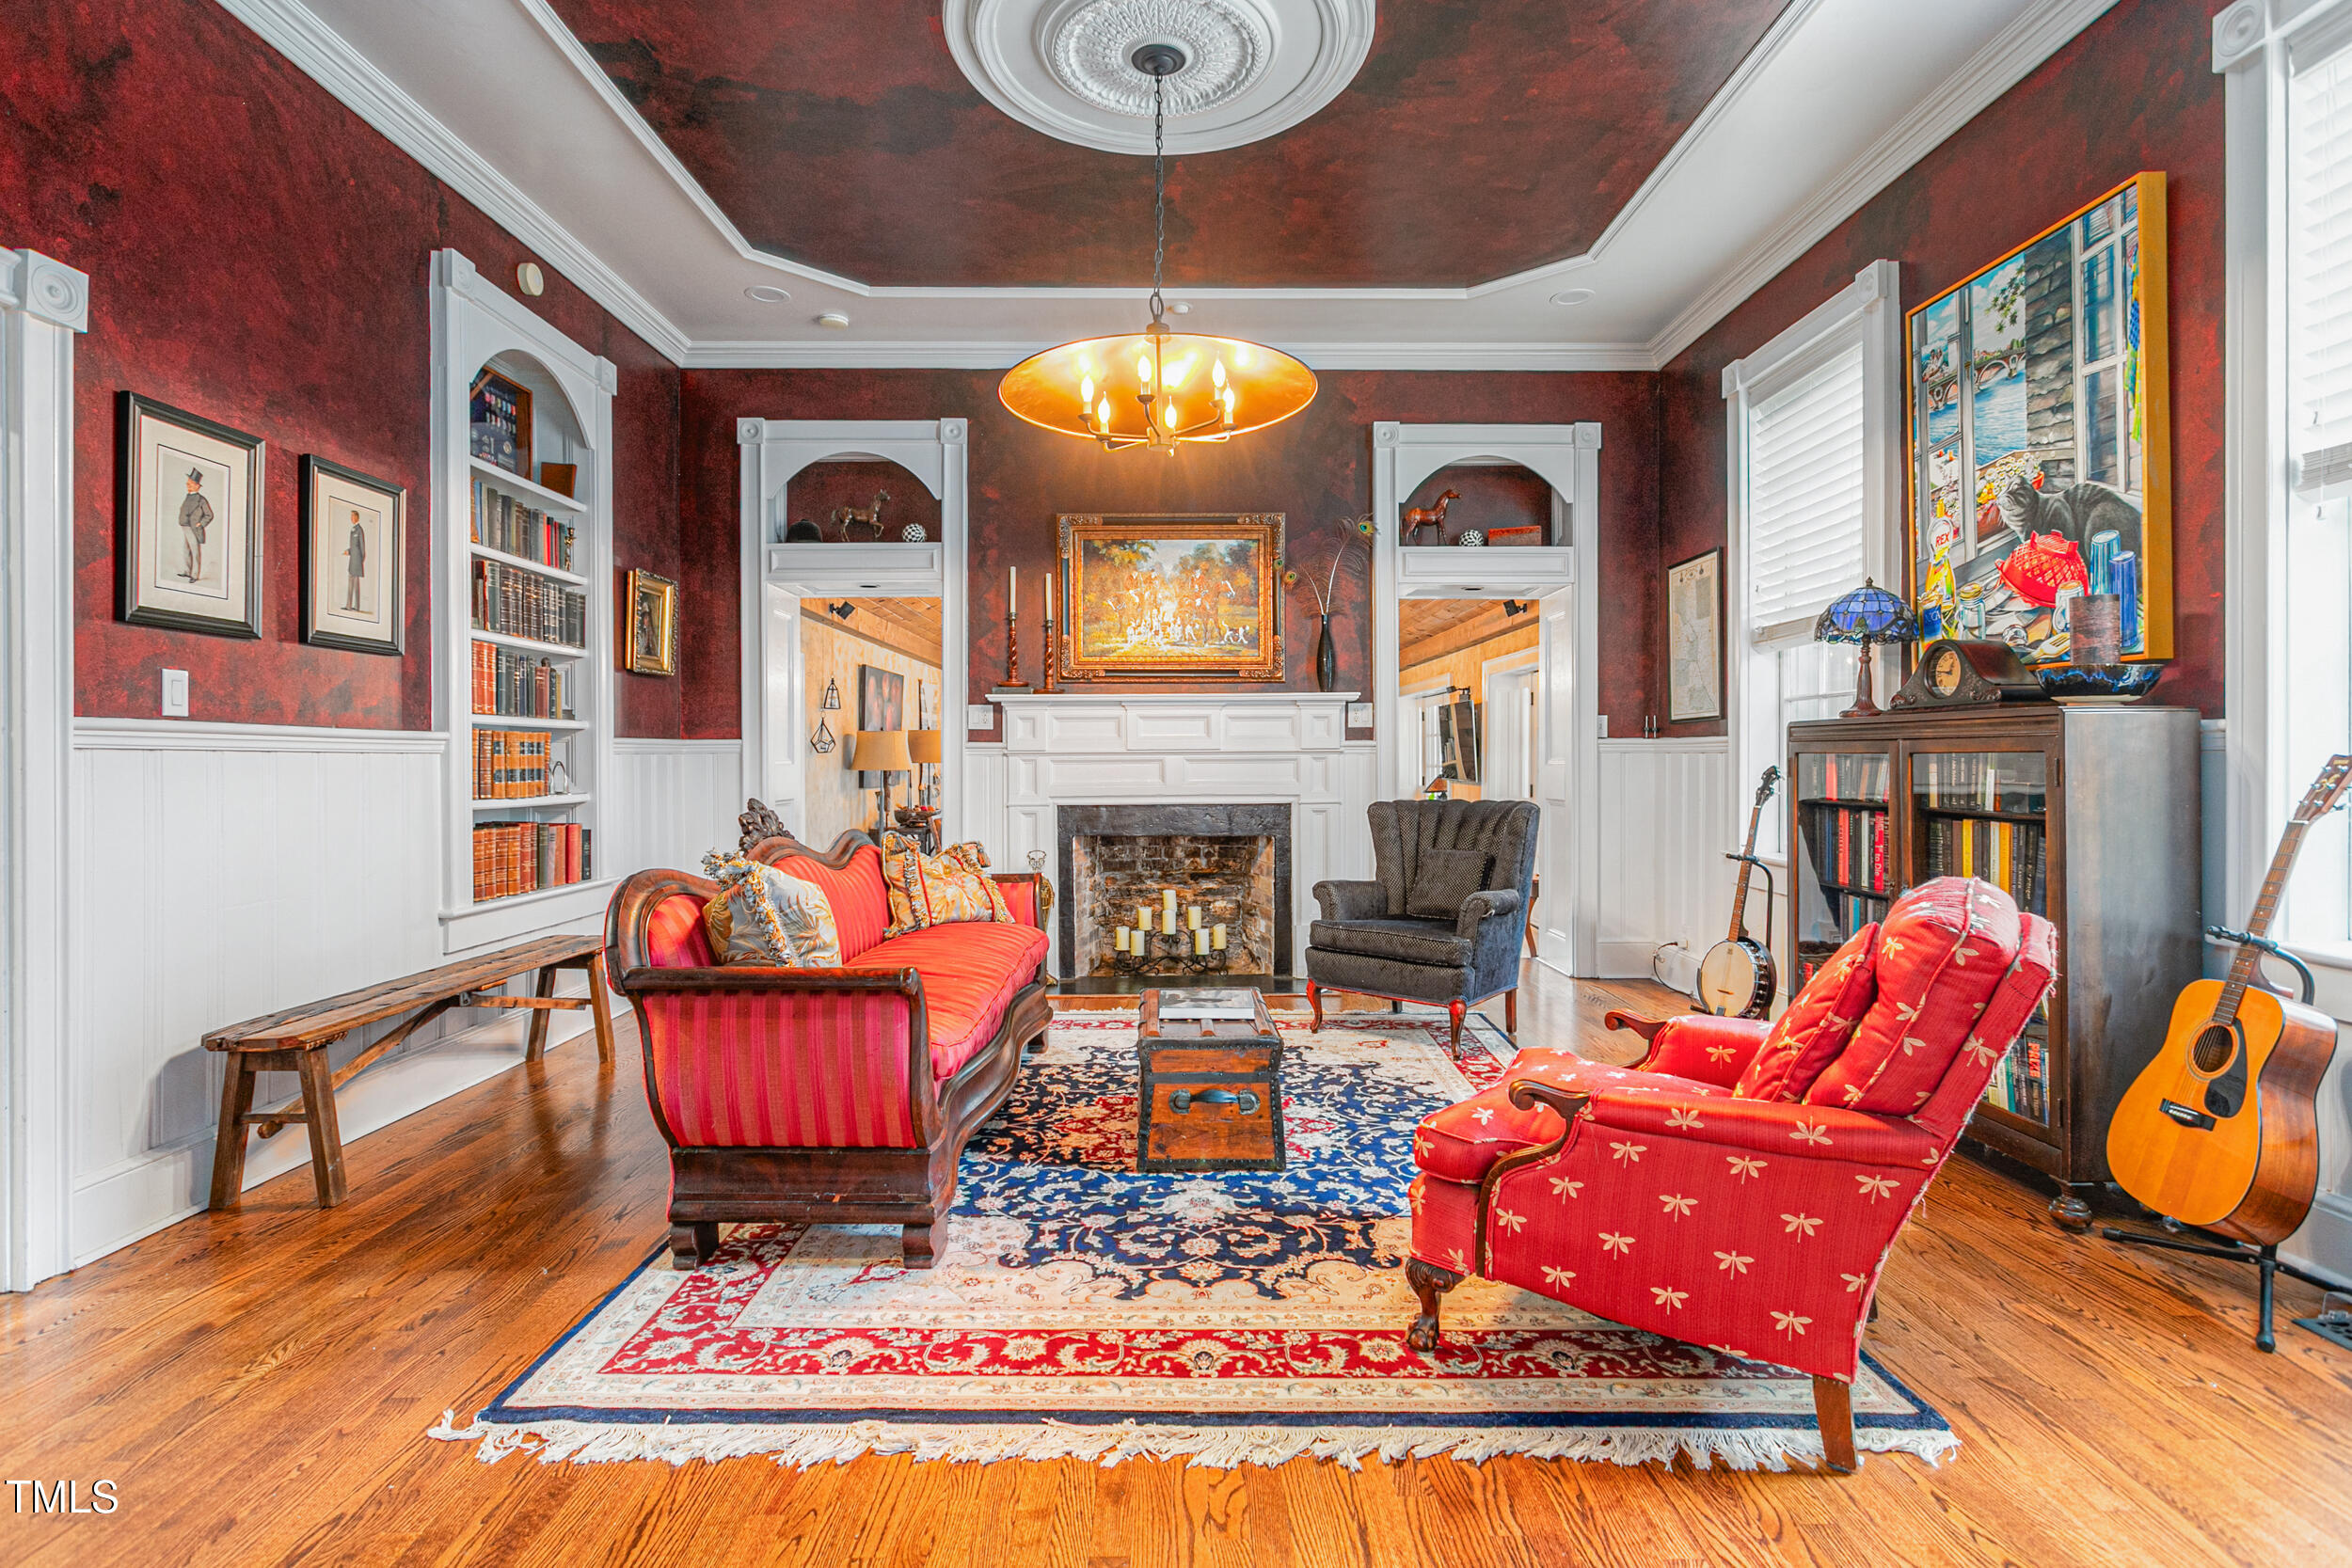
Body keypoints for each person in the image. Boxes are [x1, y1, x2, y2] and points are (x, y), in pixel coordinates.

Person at [178, 468, 213, 582]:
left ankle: (194, 575)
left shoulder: (201, 500)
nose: (187, 485)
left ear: (197, 486)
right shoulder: (188, 496)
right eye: (187, 483)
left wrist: (200, 524)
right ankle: (187, 571)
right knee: (186, 550)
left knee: (195, 551)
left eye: (190, 483)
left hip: (193, 528)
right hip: (185, 527)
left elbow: (209, 515)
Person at [342, 508, 367, 610]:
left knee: (355, 583)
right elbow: (353, 546)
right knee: (353, 583)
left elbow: (362, 547)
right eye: (351, 516)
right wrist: (348, 551)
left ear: (357, 517)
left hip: (356, 561)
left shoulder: (359, 530)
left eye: (352, 516)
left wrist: (361, 560)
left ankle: (355, 606)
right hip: (353, 560)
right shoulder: (353, 529)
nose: (351, 518)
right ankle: (351, 606)